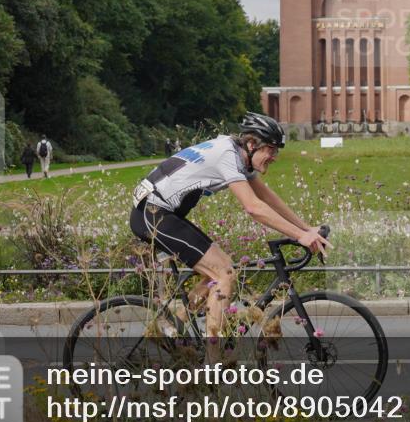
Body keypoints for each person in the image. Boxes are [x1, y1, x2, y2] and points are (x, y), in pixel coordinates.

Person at [129, 112, 331, 347]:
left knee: (214, 273)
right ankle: (213, 365)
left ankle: (173, 329)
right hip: (152, 213)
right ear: (252, 144)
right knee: (224, 274)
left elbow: (265, 196)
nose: (274, 157)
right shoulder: (227, 155)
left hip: (160, 213)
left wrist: (306, 228)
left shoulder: (237, 154)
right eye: (271, 150)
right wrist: (301, 236)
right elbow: (254, 207)